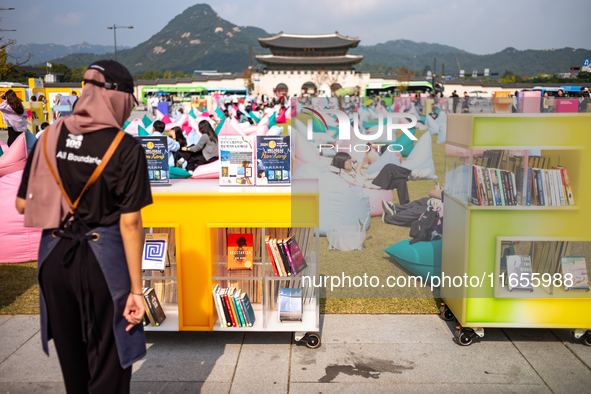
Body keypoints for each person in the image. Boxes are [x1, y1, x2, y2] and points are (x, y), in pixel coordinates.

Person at [15, 60, 150, 393]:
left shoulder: (49, 135)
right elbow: (131, 223)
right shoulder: (126, 147)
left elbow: (22, 204)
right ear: (117, 98)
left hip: (53, 260)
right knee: (110, 361)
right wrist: (136, 290)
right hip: (102, 264)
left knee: (73, 364)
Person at [329, 152, 431, 206]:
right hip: (370, 186)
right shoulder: (343, 175)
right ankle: (412, 174)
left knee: (400, 179)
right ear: (342, 163)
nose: (351, 161)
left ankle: (405, 205)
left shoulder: (350, 169)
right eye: (348, 160)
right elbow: (359, 186)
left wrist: (355, 163)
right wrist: (357, 171)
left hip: (372, 181)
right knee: (389, 167)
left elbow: (364, 167)